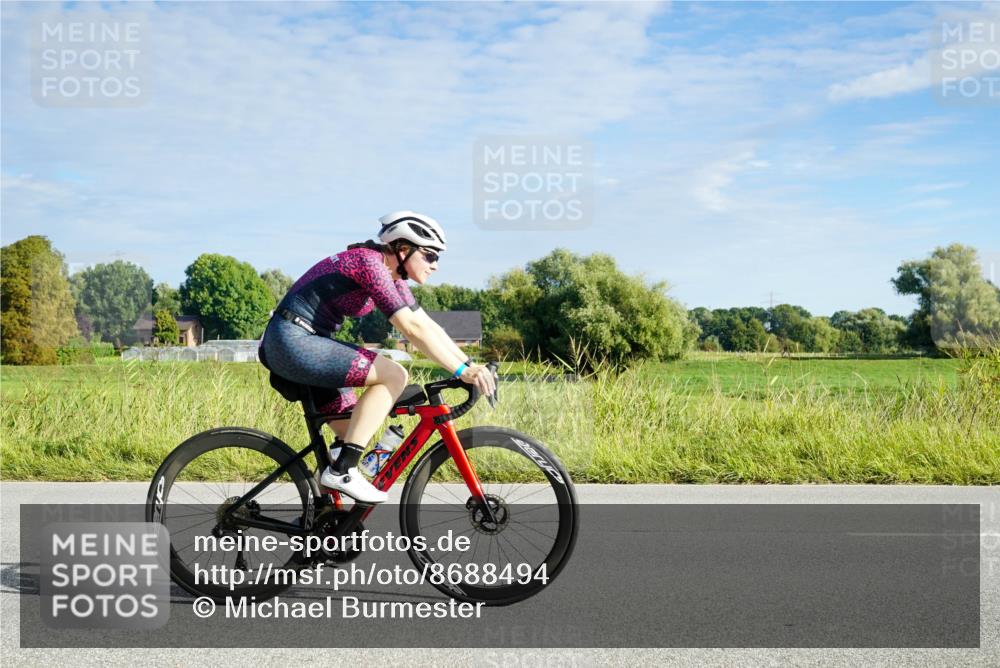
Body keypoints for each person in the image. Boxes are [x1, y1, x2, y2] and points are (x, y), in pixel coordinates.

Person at [258, 211, 496, 504]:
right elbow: (411, 329)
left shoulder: (393, 278)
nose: (435, 265)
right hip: (293, 341)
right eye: (430, 255)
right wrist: (461, 371)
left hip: (307, 342)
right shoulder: (369, 265)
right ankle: (343, 472)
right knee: (394, 375)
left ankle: (324, 517)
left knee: (351, 431)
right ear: (403, 249)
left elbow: (427, 325)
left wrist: (469, 365)